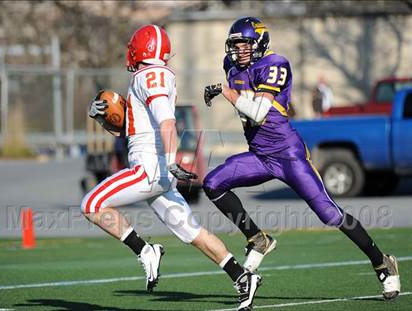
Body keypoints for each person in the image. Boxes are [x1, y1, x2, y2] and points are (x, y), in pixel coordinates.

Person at [203, 17, 400, 300]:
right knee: (213, 183)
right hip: (260, 155)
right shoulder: (231, 66)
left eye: (244, 44)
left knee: (329, 214)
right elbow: (247, 111)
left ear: (259, 43)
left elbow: (258, 113)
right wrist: (231, 92)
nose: (238, 51)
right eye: (235, 45)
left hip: (288, 155)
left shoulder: (275, 64)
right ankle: (258, 239)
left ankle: (383, 262)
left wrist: (227, 93)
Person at [82, 24, 262, 311]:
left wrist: (169, 162)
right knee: (194, 233)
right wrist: (109, 118)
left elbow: (167, 122)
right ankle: (241, 277)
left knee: (91, 204)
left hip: (151, 169)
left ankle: (144, 249)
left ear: (140, 48)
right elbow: (140, 127)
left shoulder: (149, 75)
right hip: (158, 171)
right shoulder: (155, 75)